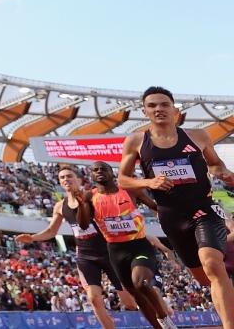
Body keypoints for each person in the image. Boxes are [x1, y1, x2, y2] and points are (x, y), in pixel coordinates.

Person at [118, 86, 234, 329]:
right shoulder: (137, 141)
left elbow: (214, 163)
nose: (158, 109)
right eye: (152, 106)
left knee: (213, 265)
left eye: (163, 104)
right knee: (204, 278)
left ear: (175, 110)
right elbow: (123, 179)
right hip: (171, 217)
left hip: (203, 209)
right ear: (144, 111)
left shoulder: (197, 136)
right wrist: (149, 181)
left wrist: (223, 172)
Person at [18, 165, 139, 329]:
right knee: (94, 298)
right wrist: (32, 238)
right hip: (85, 257)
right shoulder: (60, 206)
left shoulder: (94, 198)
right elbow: (51, 231)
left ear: (79, 179)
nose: (66, 179)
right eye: (62, 177)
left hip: (109, 253)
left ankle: (158, 316)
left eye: (69, 176)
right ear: (59, 183)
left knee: (130, 303)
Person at [78, 161, 176, 329]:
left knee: (141, 283)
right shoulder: (89, 196)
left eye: (103, 169)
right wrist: (81, 204)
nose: (99, 171)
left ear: (111, 172)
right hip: (116, 251)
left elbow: (154, 207)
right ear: (92, 175)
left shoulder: (129, 191)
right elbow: (84, 224)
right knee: (137, 296)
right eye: (95, 170)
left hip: (139, 246)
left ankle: (163, 318)